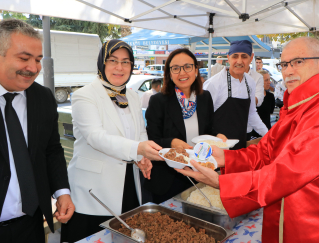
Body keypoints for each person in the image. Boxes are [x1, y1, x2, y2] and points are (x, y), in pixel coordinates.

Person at [179, 37, 319, 243]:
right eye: (284, 64)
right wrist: (225, 158)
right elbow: (265, 151)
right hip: (286, 218)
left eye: (298, 62)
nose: (288, 71)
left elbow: (289, 172)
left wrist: (223, 183)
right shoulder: (299, 104)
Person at [61, 40, 162, 242]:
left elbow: (140, 131)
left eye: (126, 62)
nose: (119, 67)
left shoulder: (132, 96)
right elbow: (95, 137)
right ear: (102, 63)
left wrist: (142, 156)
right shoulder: (84, 95)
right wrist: (138, 148)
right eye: (113, 60)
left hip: (128, 184)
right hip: (93, 190)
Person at [0, 19, 74, 243]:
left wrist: (62, 191)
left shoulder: (43, 98)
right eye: (24, 58)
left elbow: (51, 149)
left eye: (38, 60)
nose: (33, 68)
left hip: (31, 225)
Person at [145, 48, 226, 204]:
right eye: (175, 68)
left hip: (199, 172)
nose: (182, 73)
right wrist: (171, 143)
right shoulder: (158, 101)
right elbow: (151, 139)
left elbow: (208, 130)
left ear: (196, 69)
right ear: (169, 73)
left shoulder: (204, 97)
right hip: (168, 177)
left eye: (187, 66)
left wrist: (218, 136)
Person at [204, 40, 268, 149]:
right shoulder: (214, 83)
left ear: (251, 58)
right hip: (217, 147)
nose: (239, 61)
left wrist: (268, 135)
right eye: (235, 56)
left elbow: (251, 114)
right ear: (228, 58)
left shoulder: (250, 83)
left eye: (244, 56)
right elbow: (203, 118)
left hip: (240, 144)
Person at [247, 70, 275, 140]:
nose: (269, 82)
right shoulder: (251, 97)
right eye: (266, 80)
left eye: (269, 79)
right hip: (253, 135)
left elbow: (270, 112)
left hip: (267, 132)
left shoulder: (270, 96)